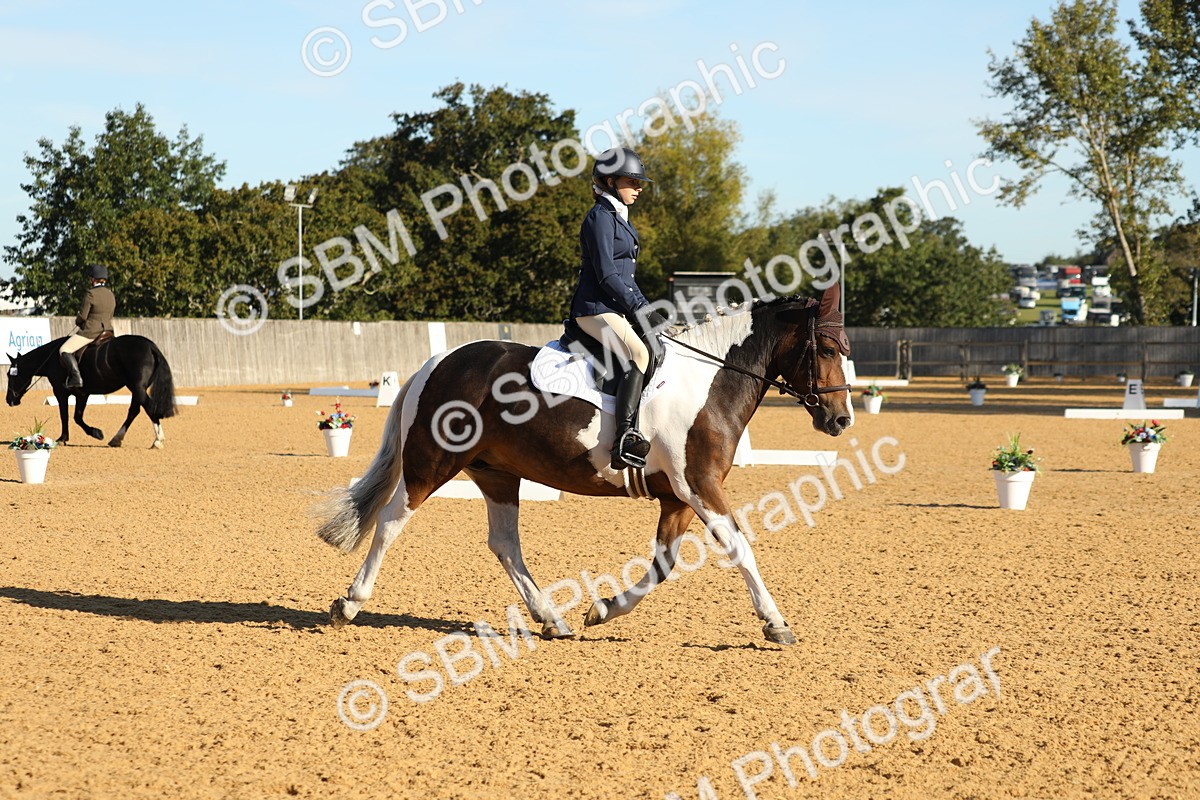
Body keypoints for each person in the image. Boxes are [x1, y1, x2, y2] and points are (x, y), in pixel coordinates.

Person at [570, 147, 669, 470]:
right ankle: (624, 437)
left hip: (614, 309)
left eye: (640, 183)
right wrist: (640, 307)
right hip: (593, 309)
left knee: (657, 347)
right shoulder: (599, 217)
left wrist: (647, 309)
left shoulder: (618, 217)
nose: (639, 188)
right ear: (610, 181)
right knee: (638, 354)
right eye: (632, 181)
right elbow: (607, 274)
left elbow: (627, 276)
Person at [59, 264, 116, 388]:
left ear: (93, 279)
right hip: (108, 331)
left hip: (91, 332)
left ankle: (76, 378)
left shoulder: (90, 293)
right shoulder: (111, 295)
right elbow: (110, 314)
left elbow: (83, 316)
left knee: (64, 350)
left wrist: (79, 322)